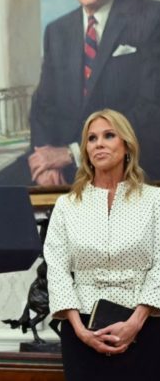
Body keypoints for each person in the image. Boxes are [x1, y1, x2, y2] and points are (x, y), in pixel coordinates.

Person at [0, 0, 160, 186]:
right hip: (61, 159)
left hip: (126, 159)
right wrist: (45, 161)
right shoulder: (57, 31)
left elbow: (151, 108)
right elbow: (43, 107)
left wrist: (72, 153)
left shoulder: (151, 17)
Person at [43, 109, 160, 380]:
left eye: (109, 135)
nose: (99, 143)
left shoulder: (154, 201)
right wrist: (80, 331)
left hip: (145, 327)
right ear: (85, 150)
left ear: (127, 145)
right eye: (92, 138)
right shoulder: (66, 206)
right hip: (82, 331)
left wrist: (134, 323)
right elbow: (57, 270)